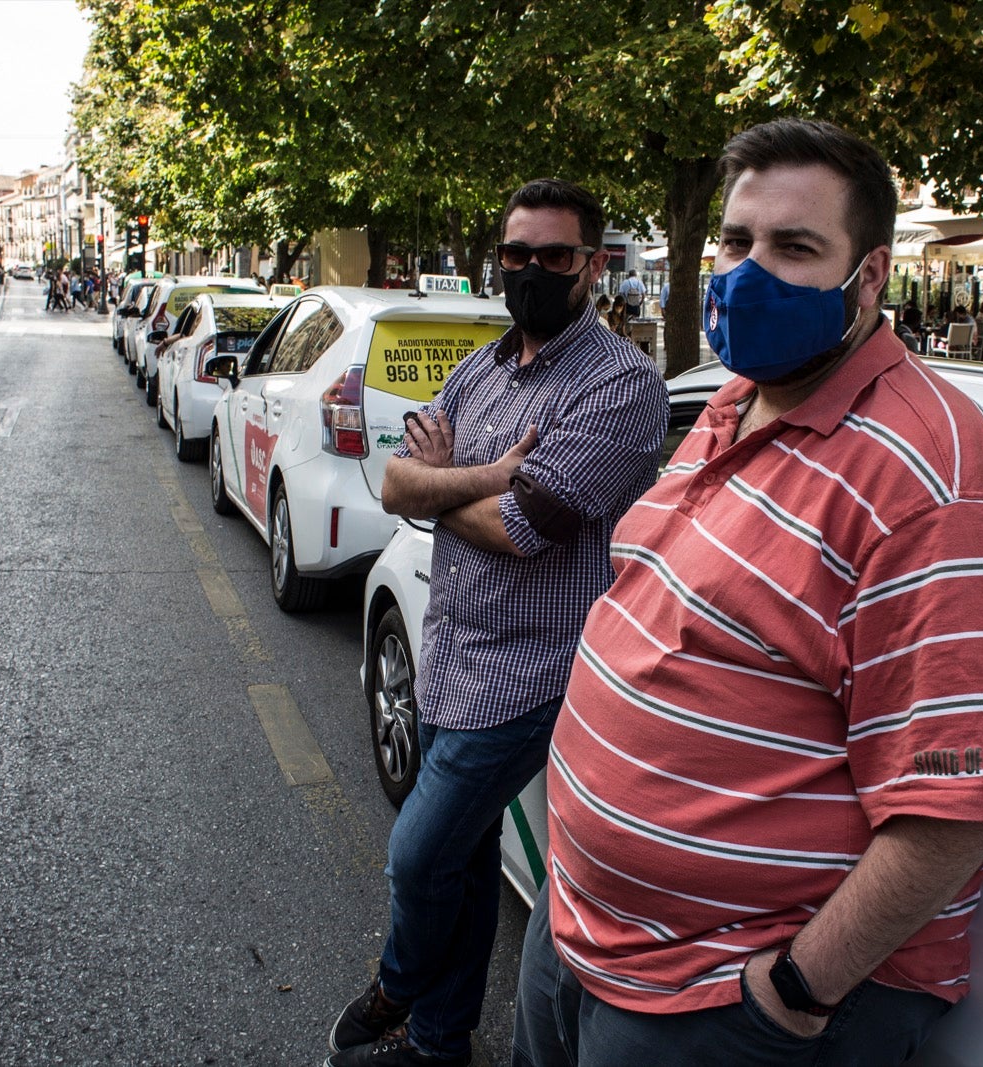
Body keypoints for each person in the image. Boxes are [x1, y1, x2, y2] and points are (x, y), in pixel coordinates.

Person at [513, 118, 983, 1067]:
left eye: (795, 248)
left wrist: (794, 994)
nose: (748, 271)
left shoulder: (944, 480)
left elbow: (961, 804)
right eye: (736, 241)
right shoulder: (736, 400)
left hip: (722, 999)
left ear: (870, 276)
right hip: (582, 932)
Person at [325, 178, 669, 1067]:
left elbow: (526, 529)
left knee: (418, 854)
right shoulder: (479, 369)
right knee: (465, 857)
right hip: (451, 653)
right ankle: (438, 1040)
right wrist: (488, 475)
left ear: (591, 266)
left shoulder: (620, 383)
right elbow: (395, 483)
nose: (532, 270)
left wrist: (443, 486)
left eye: (555, 255)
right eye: (517, 254)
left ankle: (398, 984)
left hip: (535, 671)